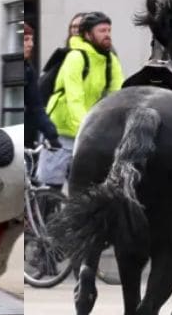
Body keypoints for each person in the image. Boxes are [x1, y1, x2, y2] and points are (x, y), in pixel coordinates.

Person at [36, 11, 124, 188]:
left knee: (87, 188)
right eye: (102, 31)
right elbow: (74, 98)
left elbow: (118, 96)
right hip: (61, 131)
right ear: (87, 34)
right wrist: (86, 130)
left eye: (109, 30)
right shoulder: (75, 57)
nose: (107, 35)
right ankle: (42, 215)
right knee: (50, 188)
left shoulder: (110, 60)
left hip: (88, 131)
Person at [22, 21, 59, 153]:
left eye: (31, 40)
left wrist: (52, 135)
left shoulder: (29, 70)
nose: (31, 44)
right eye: (26, 40)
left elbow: (36, 107)